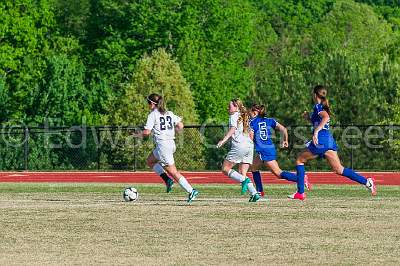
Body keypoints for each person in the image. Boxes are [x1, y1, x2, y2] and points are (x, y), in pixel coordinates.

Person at [292, 85, 376, 200]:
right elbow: (320, 120)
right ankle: (367, 182)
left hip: (321, 140)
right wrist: (308, 118)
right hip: (328, 140)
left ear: (315, 94)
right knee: (339, 169)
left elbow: (325, 118)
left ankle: (300, 192)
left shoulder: (318, 106)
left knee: (299, 160)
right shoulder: (322, 106)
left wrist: (316, 131)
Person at [133, 93, 199, 203]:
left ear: (153, 104)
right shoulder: (169, 113)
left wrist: (137, 134)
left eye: (148, 102)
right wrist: (176, 132)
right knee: (150, 161)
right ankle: (167, 180)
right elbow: (180, 125)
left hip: (163, 146)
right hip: (170, 144)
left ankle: (191, 190)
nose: (148, 105)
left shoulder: (153, 114)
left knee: (173, 172)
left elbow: (147, 132)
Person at [249, 104, 311, 199]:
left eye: (250, 111)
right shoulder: (270, 120)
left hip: (263, 150)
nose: (249, 113)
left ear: (255, 112)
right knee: (253, 167)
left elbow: (250, 138)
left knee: (278, 173)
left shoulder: (252, 122)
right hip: (268, 147)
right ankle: (260, 191)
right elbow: (283, 129)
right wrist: (285, 140)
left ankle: (300, 179)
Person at [216, 99, 260, 202]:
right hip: (249, 146)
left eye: (230, 106)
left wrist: (223, 140)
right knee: (242, 172)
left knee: (225, 168)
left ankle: (244, 181)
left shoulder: (234, 115)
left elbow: (232, 129)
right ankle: (254, 194)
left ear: (236, 107)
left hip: (240, 146)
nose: (228, 108)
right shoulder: (245, 116)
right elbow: (251, 133)